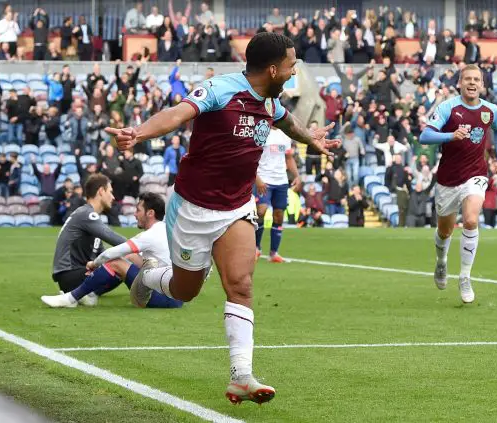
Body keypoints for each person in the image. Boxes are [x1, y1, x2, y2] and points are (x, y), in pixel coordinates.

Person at [105, 32, 338, 405]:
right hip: (192, 209)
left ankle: (241, 376)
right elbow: (176, 114)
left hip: (237, 207)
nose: (294, 73)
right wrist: (138, 133)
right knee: (186, 291)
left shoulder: (270, 102)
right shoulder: (220, 89)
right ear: (273, 69)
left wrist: (312, 140)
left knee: (241, 285)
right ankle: (146, 275)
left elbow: (288, 122)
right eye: (291, 66)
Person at [419, 64, 497, 303]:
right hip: (448, 179)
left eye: (476, 79)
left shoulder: (490, 110)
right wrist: (451, 135)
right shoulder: (448, 108)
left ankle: (465, 277)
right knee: (444, 231)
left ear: (482, 85)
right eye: (467, 79)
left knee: (470, 220)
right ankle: (441, 262)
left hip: (476, 174)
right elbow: (425, 136)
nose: (472, 83)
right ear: (459, 83)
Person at [41, 193, 182, 309]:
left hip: (163, 297)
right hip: (175, 296)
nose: (134, 214)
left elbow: (111, 253)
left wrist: (94, 264)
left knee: (116, 262)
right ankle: (89, 295)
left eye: (138, 210)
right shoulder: (165, 230)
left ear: (150, 213)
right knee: (129, 257)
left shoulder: (150, 235)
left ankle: (71, 298)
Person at [51, 174, 127, 297]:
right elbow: (113, 237)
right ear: (101, 191)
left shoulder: (90, 217)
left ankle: (87, 295)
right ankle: (144, 293)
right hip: (70, 275)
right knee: (121, 263)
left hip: (77, 274)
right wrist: (139, 247)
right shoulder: (86, 214)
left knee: (123, 261)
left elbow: (101, 253)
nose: (113, 197)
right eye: (110, 192)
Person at [254, 126, 300, 263]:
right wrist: (257, 179)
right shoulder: (261, 131)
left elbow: (289, 158)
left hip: (281, 181)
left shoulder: (285, 134)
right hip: (264, 179)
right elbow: (252, 158)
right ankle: (256, 248)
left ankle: (273, 253)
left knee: (279, 215)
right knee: (261, 211)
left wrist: (297, 175)